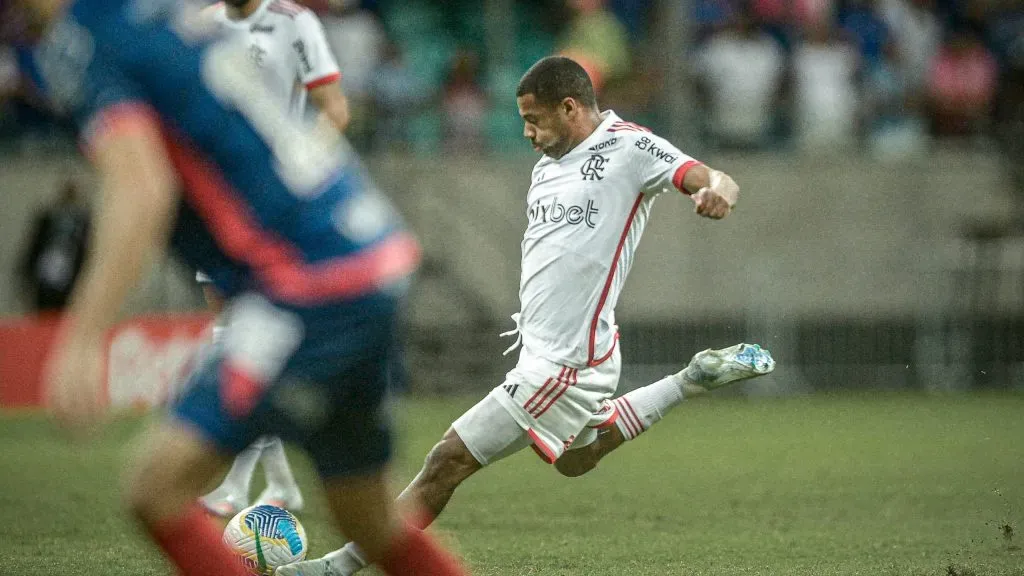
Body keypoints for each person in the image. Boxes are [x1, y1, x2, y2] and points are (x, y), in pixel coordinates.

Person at [9, 0, 468, 572]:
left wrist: (81, 338)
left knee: (157, 489)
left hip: (305, 282)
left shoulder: (89, 42)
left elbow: (142, 188)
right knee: (367, 518)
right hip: (367, 254)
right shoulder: (155, 16)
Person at [279, 55, 774, 576]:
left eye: (533, 120)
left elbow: (711, 176)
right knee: (575, 459)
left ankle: (334, 569)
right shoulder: (546, 164)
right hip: (548, 349)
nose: (526, 132)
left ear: (570, 107)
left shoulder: (629, 146)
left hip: (564, 363)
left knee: (447, 460)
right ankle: (689, 380)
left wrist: (716, 190)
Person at [197, 0, 352, 519]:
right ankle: (273, 485)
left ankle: (241, 484)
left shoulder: (293, 22)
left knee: (244, 337)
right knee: (237, 335)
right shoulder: (201, 24)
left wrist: (303, 162)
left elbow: (335, 109)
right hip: (223, 203)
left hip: (276, 207)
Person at [18, 179, 91, 312]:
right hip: (47, 277)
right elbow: (34, 246)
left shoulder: (83, 223)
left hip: (70, 280)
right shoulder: (48, 218)